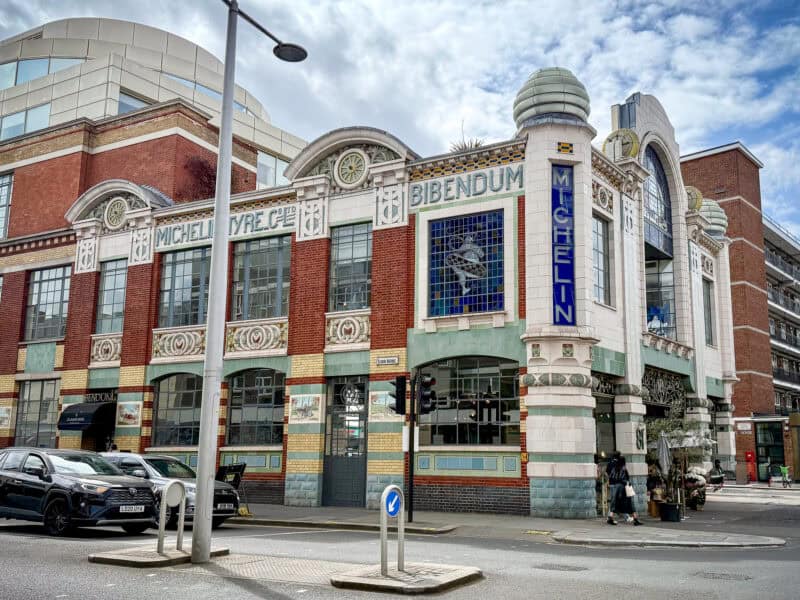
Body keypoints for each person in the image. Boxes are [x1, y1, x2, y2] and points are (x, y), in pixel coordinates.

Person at [607, 455, 642, 526]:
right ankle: (635, 519)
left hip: (616, 487)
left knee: (615, 503)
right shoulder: (623, 469)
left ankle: (610, 517)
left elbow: (611, 477)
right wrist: (628, 483)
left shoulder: (614, 469)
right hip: (623, 488)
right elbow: (626, 479)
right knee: (630, 504)